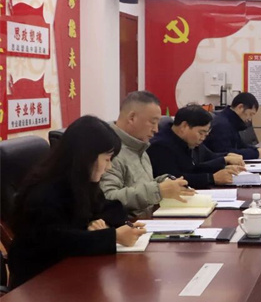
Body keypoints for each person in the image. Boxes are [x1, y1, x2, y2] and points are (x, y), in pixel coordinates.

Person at [8, 116, 147, 288]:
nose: (109, 167)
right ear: (87, 157)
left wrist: (98, 223)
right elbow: (58, 242)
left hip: (73, 275)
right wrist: (112, 236)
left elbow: (112, 208)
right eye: (107, 159)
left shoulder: (81, 182)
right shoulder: (44, 193)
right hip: (40, 284)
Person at [101, 91, 193, 217]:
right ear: (132, 118)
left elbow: (140, 185)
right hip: (129, 224)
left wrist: (165, 181)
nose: (156, 129)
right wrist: (158, 190)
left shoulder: (139, 146)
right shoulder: (109, 150)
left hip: (149, 218)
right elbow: (108, 197)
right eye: (153, 122)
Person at [147, 105, 244, 189]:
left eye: (206, 134)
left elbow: (200, 163)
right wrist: (211, 178)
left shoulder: (187, 140)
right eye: (201, 133)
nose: (203, 138)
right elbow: (174, 179)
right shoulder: (160, 146)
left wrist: (224, 162)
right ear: (184, 126)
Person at [203, 92, 261, 160]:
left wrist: (257, 149)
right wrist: (255, 154)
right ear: (240, 107)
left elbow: (240, 145)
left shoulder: (231, 121)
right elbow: (226, 153)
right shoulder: (222, 125)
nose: (249, 119)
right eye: (250, 114)